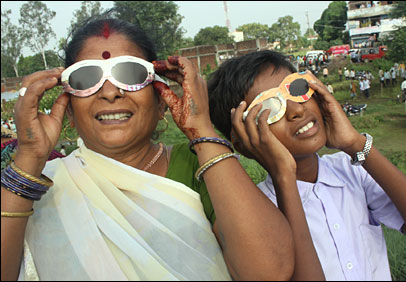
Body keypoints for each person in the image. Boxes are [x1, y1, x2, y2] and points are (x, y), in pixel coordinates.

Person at [1, 18, 295, 281]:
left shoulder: (200, 166)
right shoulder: (43, 184)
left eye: (129, 74)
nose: (110, 91)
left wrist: (201, 129)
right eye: (87, 78)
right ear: (68, 110)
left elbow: (269, 271)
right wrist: (29, 156)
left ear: (161, 100)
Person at [207, 50, 406, 281]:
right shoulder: (252, 214)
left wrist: (356, 145)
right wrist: (284, 175)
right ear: (243, 140)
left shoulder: (351, 170)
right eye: (271, 108)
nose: (296, 110)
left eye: (295, 89)